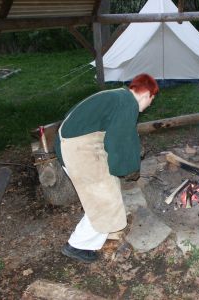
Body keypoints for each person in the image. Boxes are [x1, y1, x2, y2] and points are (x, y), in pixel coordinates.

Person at [54, 73, 159, 263]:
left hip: (78, 143)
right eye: (152, 100)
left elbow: (120, 134)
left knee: (103, 192)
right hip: (78, 148)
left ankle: (99, 228)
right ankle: (77, 246)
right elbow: (119, 141)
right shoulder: (128, 103)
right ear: (147, 95)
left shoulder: (119, 97)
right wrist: (128, 169)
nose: (150, 105)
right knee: (105, 197)